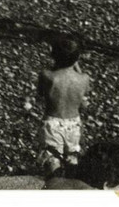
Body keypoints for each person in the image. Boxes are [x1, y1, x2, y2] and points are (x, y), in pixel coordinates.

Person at [36, 35, 92, 178]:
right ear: (77, 58)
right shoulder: (84, 79)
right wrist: (76, 64)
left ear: (53, 55)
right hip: (74, 123)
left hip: (53, 122)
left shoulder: (47, 76)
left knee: (52, 164)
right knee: (73, 163)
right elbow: (83, 101)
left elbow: (41, 95)